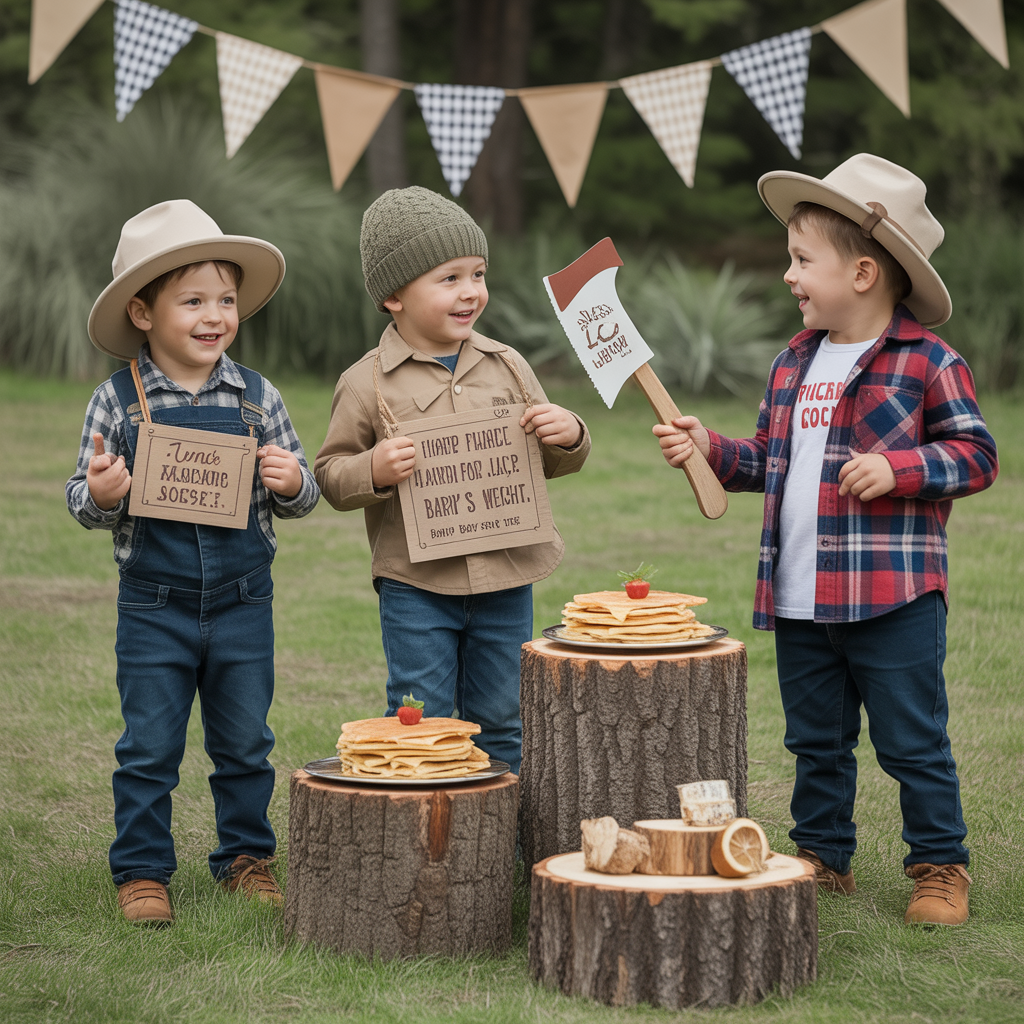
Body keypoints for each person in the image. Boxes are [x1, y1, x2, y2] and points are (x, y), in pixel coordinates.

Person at [653, 154, 998, 926]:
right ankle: (823, 857)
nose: (788, 276)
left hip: (893, 598)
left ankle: (939, 865)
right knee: (816, 743)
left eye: (803, 260)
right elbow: (767, 462)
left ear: (865, 272)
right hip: (804, 597)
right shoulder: (791, 365)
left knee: (912, 741)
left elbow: (977, 456)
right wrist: (708, 448)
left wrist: (899, 467)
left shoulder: (928, 364)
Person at [66, 200, 320, 924]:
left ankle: (245, 858)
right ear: (143, 313)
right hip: (154, 604)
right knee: (149, 744)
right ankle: (142, 870)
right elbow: (80, 494)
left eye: (226, 300)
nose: (214, 315)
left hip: (244, 599)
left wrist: (292, 481)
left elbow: (305, 493)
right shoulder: (117, 401)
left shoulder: (257, 396)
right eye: (193, 300)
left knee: (246, 741)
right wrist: (106, 493)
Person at [314, 187, 590, 776]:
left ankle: (505, 841)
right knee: (422, 721)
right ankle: (429, 851)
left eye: (478, 274)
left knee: (506, 718)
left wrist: (567, 433)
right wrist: (374, 469)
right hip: (417, 585)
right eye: (449, 278)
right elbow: (331, 475)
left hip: (506, 575)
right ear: (393, 295)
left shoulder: (508, 365)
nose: (471, 291)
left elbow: (547, 461)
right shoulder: (366, 383)